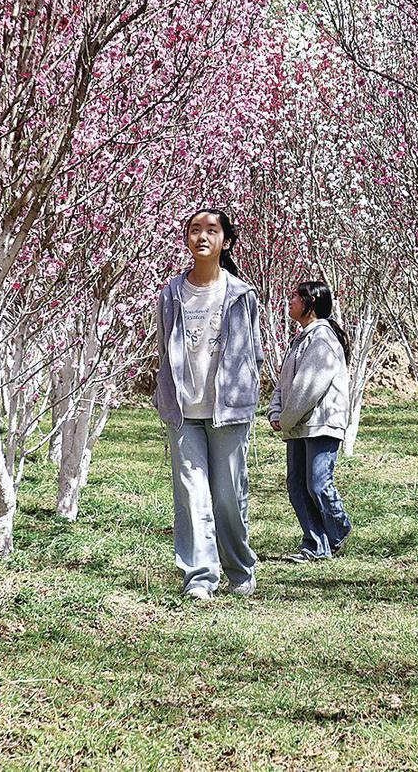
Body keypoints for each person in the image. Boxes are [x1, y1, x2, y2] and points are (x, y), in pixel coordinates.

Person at [155, 209, 262, 600]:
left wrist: (246, 396)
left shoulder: (240, 294)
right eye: (194, 230)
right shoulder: (171, 293)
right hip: (184, 411)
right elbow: (164, 347)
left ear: (226, 241)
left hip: (228, 410)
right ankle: (200, 577)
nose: (202, 236)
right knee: (191, 495)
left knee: (228, 495)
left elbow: (254, 352)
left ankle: (238, 568)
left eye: (211, 230)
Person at [269, 281, 354, 562]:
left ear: (312, 303)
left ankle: (338, 529)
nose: (289, 300)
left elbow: (308, 388)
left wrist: (286, 418)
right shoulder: (301, 339)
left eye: (295, 296)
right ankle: (316, 543)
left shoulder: (321, 340)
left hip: (321, 423)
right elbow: (284, 383)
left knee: (318, 484)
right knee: (297, 485)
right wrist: (275, 412)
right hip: (298, 424)